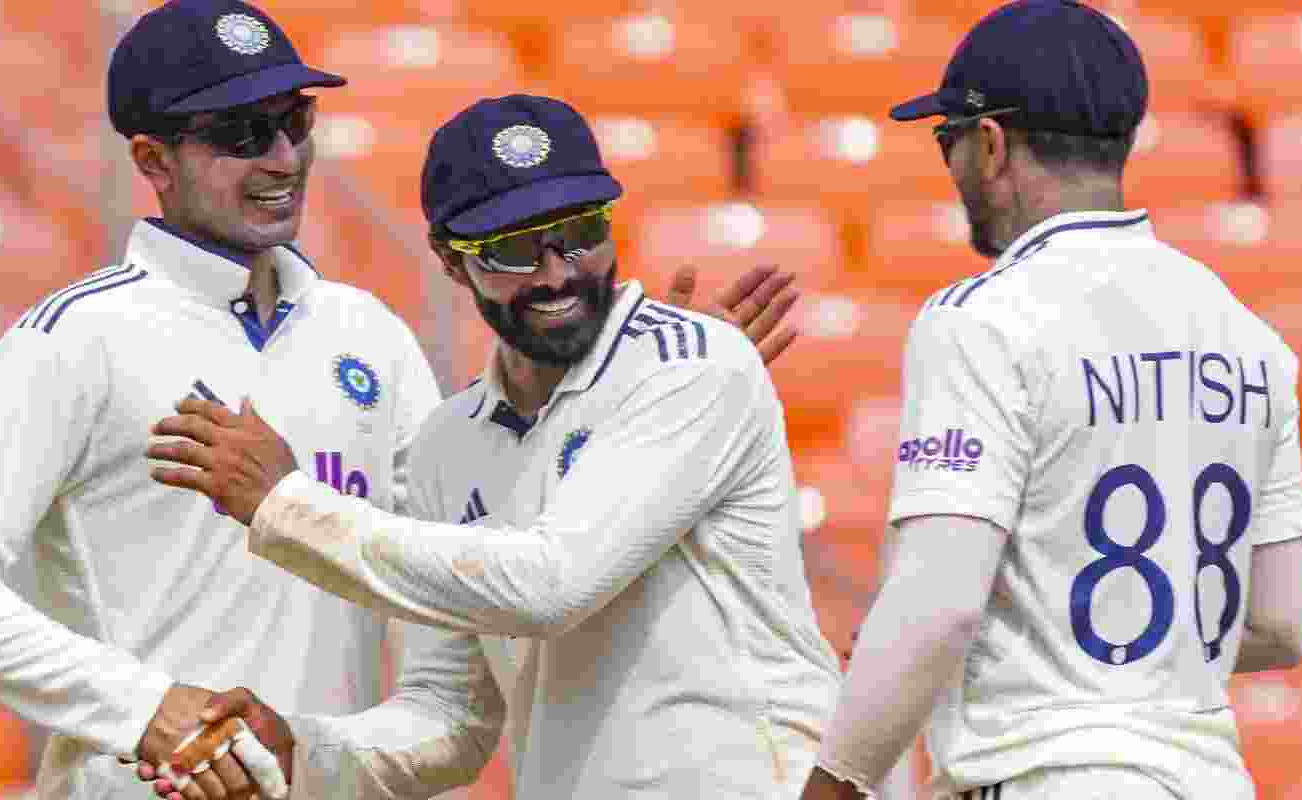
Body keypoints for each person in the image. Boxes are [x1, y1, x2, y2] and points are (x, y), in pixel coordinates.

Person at [0, 1, 797, 798]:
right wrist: (146, 708)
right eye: (242, 133)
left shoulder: (367, 333)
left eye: (295, 121)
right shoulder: (72, 338)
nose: (283, 157)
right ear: (152, 158)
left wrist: (632, 391)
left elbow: (462, 617)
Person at [141, 93, 841, 799]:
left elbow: (552, 585)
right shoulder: (449, 444)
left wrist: (288, 508)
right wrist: (301, 751)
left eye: (581, 233)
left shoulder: (693, 364)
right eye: (512, 251)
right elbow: (450, 714)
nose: (557, 274)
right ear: (451, 262)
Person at [799, 2, 1302, 799]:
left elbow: (937, 608)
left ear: (990, 143)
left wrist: (833, 786)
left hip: (1049, 777)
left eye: (947, 141)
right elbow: (1282, 624)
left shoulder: (983, 318)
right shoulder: (1248, 336)